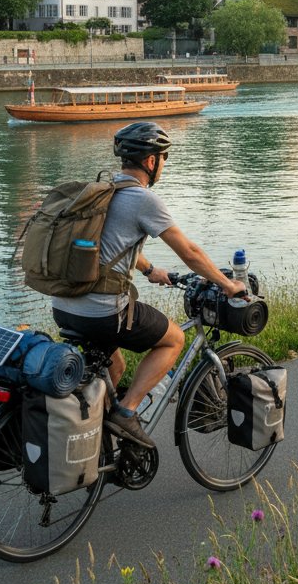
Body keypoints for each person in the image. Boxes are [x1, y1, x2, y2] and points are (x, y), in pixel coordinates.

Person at [51, 121, 245, 449]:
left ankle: (94, 443)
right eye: (164, 159)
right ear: (151, 162)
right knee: (174, 339)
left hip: (65, 308)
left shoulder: (103, 191)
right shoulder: (143, 199)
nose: (164, 165)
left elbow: (109, 248)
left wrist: (150, 269)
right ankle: (126, 413)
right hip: (102, 312)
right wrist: (228, 285)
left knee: (116, 366)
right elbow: (190, 252)